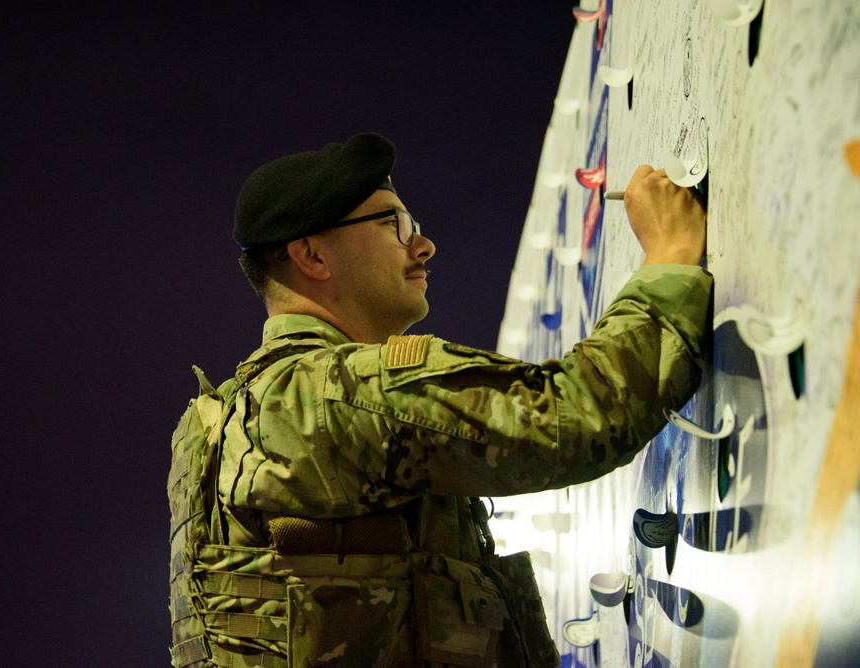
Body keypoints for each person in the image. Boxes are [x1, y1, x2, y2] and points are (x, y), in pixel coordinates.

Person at [168, 132, 711, 667]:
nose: (422, 245)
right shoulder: (335, 395)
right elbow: (577, 415)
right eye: (394, 225)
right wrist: (671, 256)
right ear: (311, 255)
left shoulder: (215, 426)